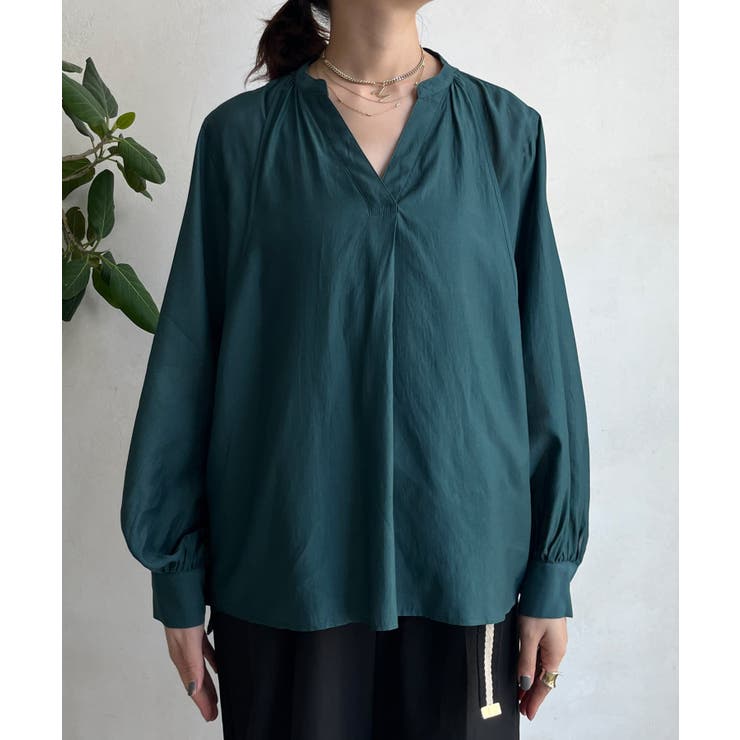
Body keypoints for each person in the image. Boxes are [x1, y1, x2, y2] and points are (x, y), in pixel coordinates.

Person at [119, 1, 590, 738]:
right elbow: (188, 360)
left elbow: (543, 361)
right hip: (287, 568)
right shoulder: (242, 140)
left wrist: (551, 575)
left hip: (466, 573)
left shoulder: (504, 133)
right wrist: (176, 578)